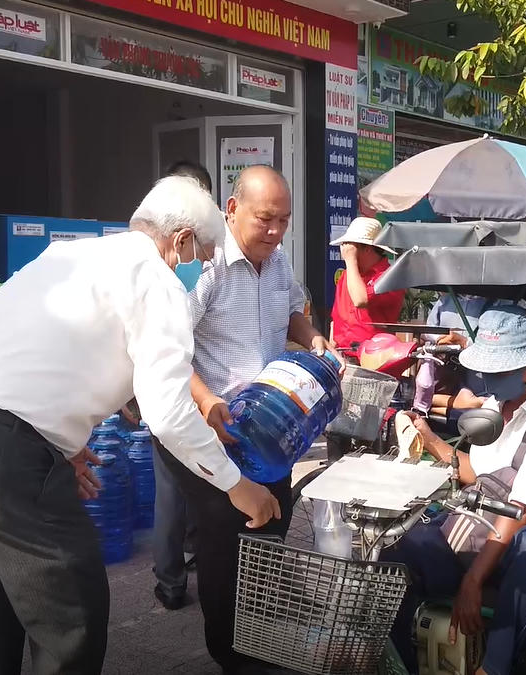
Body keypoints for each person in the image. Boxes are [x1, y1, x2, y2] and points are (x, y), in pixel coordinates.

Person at [0, 176, 279, 675]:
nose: (205, 266)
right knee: (73, 620)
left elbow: (38, 355)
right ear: (183, 240)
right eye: (207, 253)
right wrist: (239, 487)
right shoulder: (158, 280)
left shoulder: (77, 257)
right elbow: (169, 413)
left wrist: (57, 441)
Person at [157, 165, 341, 674]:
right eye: (266, 219)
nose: (277, 231)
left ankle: (263, 636)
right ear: (232, 210)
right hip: (209, 428)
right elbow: (169, 349)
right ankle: (231, 653)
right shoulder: (208, 263)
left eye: (284, 220)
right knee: (224, 537)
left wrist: (313, 338)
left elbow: (291, 312)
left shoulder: (277, 260)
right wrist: (208, 400)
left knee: (271, 523)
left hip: (265, 425)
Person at [387, 306, 526, 675]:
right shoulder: (495, 408)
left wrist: (473, 581)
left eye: (500, 370)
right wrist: (428, 438)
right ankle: (403, 661)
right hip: (482, 535)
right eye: (487, 369)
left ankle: (493, 668)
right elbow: (475, 473)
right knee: (405, 541)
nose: (489, 379)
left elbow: (523, 511)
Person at [150, 159, 215, 611]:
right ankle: (195, 562)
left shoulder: (152, 256)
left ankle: (172, 580)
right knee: (199, 479)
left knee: (172, 489)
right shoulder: (204, 257)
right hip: (194, 386)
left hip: (175, 386)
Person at [330, 217, 407, 356]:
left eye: (351, 247)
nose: (346, 251)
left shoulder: (390, 277)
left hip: (374, 356)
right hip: (342, 354)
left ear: (367, 249)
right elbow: (336, 320)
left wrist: (350, 261)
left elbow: (360, 300)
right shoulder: (347, 275)